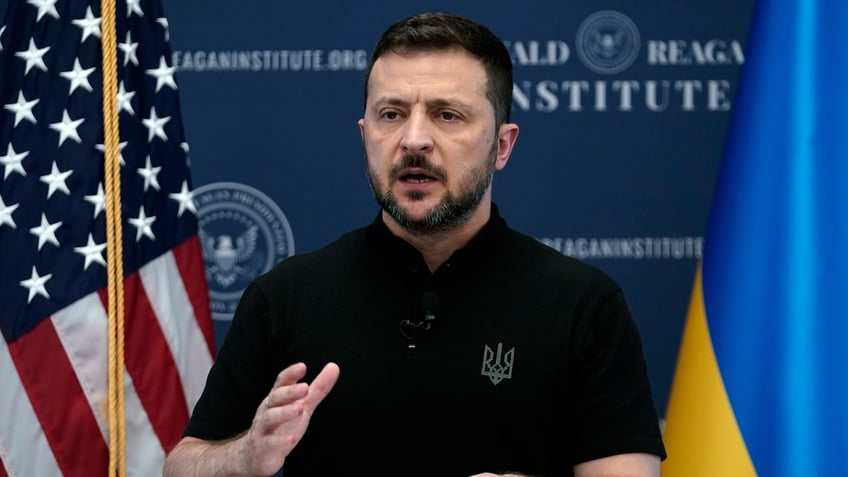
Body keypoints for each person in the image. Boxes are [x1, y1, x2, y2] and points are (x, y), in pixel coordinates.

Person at [164, 12, 666, 477]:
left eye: (448, 115)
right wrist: (246, 454)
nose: (414, 139)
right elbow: (182, 464)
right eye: (391, 114)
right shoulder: (285, 297)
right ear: (365, 136)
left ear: (503, 146)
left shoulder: (584, 306)